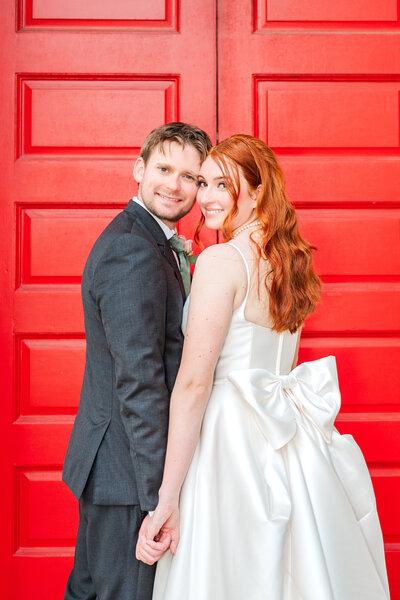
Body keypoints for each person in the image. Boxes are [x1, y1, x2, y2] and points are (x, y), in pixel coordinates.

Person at [136, 134, 390, 599]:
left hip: (228, 436)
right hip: (287, 432)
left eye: (222, 186)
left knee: (229, 568)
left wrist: (167, 497)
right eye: (204, 183)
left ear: (256, 194)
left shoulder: (221, 260)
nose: (205, 197)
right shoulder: (290, 261)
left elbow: (194, 384)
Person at [62, 122, 212, 600]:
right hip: (127, 476)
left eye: (190, 177)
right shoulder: (133, 248)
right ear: (139, 169)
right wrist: (158, 499)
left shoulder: (152, 241)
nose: (174, 184)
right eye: (164, 168)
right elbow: (140, 382)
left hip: (113, 469)